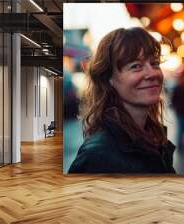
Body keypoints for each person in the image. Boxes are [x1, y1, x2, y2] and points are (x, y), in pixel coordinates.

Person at [68, 27, 176, 174]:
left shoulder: (154, 138)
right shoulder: (97, 155)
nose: (152, 73)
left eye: (155, 63)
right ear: (108, 79)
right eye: (136, 66)